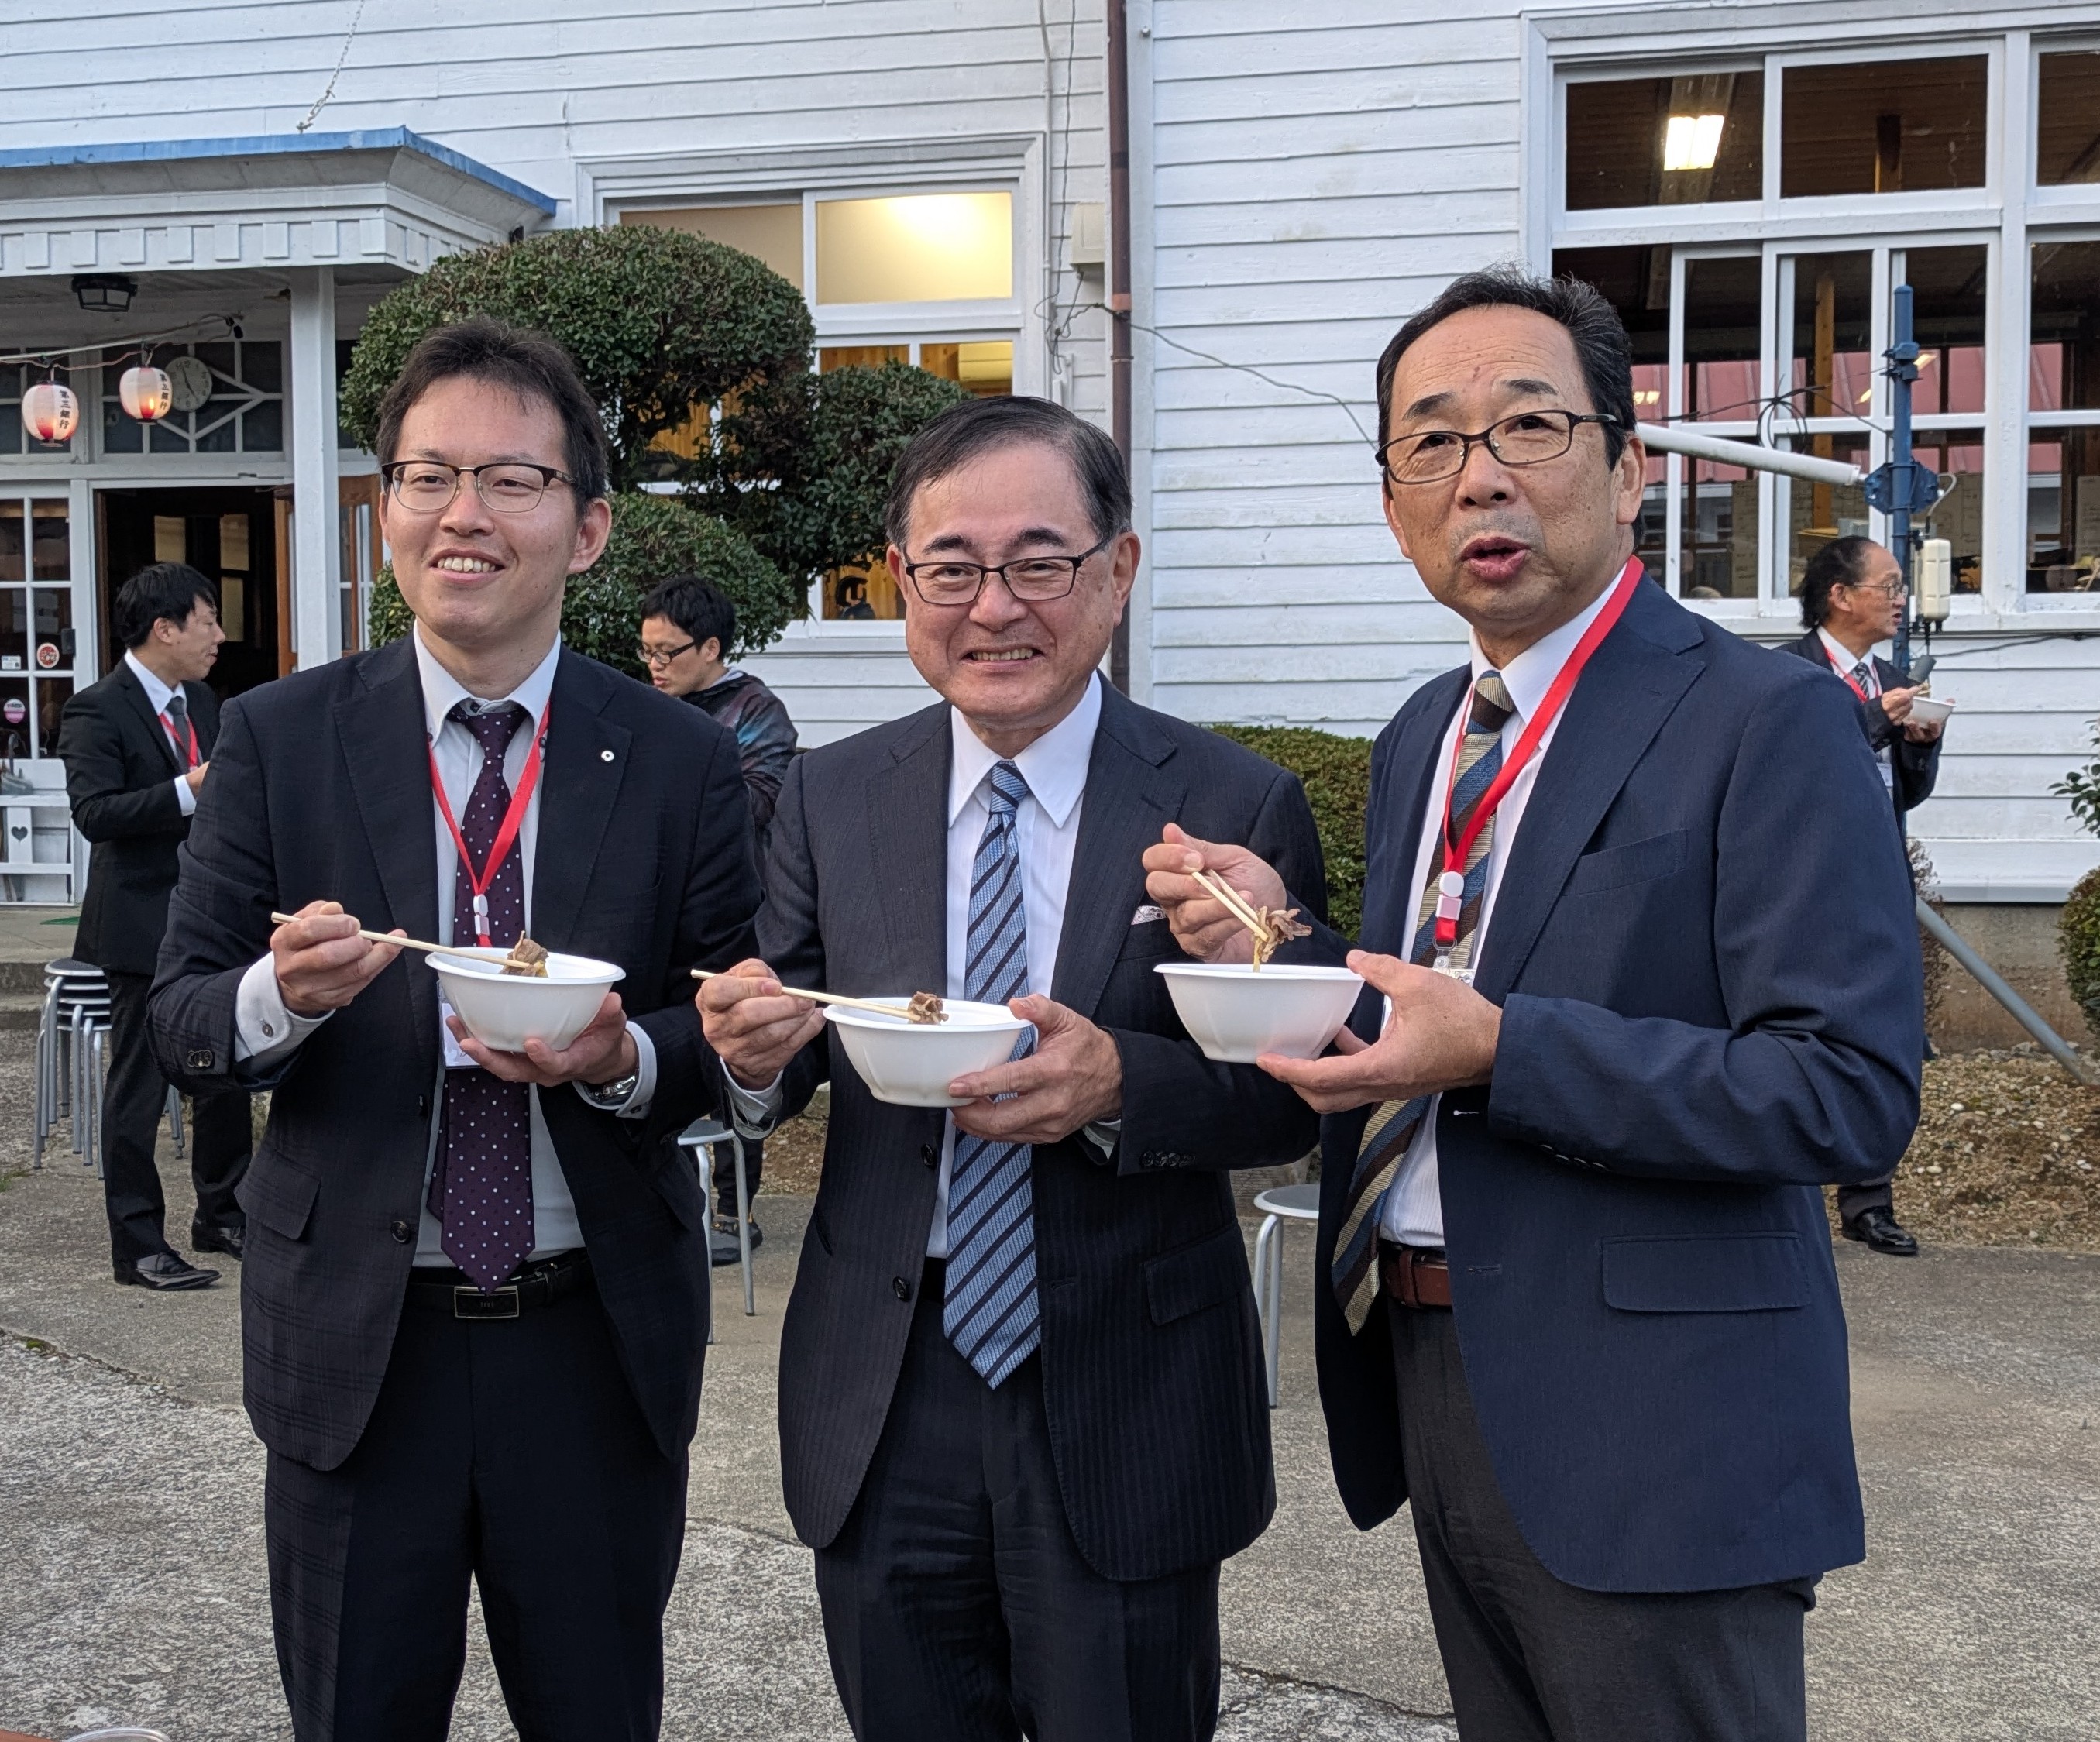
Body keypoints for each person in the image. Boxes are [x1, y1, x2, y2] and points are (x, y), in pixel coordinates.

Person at [1144, 269, 1923, 1742]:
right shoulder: (1428, 730)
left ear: (1629, 469)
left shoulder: (1767, 719)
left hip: (1662, 1418)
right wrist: (1279, 932)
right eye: (1428, 443)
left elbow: (1847, 1084)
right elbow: (1435, 993)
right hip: (1434, 1367)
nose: (1478, 474)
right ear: (1392, 505)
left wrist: (1506, 1051)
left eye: (1528, 425)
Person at [148, 318, 761, 1740]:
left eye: (509, 479)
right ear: (385, 512)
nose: (462, 514)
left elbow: (742, 1044)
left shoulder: (677, 757)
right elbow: (180, 1017)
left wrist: (624, 1060)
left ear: (588, 526)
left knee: (597, 1712)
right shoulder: (283, 738)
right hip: (359, 1350)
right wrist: (280, 996)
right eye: (426, 476)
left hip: (590, 1338)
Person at [699, 395, 1324, 1741]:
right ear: (900, 579)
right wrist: (751, 1059)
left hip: (1122, 1379)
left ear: (1117, 571)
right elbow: (786, 1042)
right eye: (952, 567)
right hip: (884, 1368)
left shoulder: (1232, 804)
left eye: (1041, 561)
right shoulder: (830, 792)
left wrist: (1119, 1087)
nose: (995, 607)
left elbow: (1292, 1090)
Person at [58, 562, 250, 1291]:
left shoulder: (202, 700)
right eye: (207, 620)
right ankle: (137, 1244)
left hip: (211, 914)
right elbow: (94, 814)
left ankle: (224, 1213)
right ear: (164, 627)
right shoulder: (95, 709)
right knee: (139, 1086)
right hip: (138, 921)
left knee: (226, 1072)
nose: (219, 637)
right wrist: (185, 789)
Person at [1781, 534, 1944, 1259]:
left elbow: (1903, 792)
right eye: (1887, 584)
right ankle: (1781, 1188)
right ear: (1840, 596)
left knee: (1879, 1028)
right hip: (1800, 878)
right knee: (1797, 1026)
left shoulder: (1886, 673)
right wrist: (1878, 718)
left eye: (1902, 585)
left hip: (1876, 875)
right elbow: (1811, 760)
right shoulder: (1784, 674)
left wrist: (1918, 741)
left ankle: (1869, 1201)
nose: (1900, 597)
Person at [638, 573, 798, 1263]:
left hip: (737, 913)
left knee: (737, 1048)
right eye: (646, 651)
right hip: (654, 908)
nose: (654, 666)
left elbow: (756, 806)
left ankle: (734, 1212)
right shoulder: (640, 708)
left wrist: (686, 766)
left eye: (668, 653)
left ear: (710, 648)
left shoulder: (757, 712)